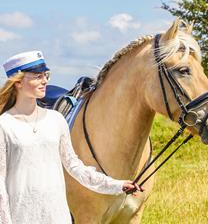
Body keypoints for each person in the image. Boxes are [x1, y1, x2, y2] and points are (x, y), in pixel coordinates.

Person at [0, 51, 143, 224]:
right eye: (37, 76)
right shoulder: (4, 125)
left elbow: (75, 167)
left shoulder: (56, 120)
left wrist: (116, 185)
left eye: (46, 75)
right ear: (18, 82)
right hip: (21, 217)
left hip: (57, 217)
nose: (45, 81)